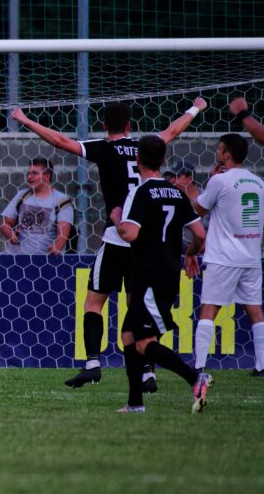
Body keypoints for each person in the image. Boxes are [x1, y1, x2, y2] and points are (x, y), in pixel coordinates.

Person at [12, 97, 207, 389]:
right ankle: (147, 372)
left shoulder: (104, 148)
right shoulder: (144, 146)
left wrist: (26, 120)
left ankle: (92, 364)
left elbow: (61, 142)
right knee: (137, 308)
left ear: (104, 126)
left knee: (94, 302)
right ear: (130, 125)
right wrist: (195, 108)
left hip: (117, 237)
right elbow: (172, 132)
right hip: (144, 243)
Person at [114, 135, 211, 413]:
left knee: (145, 342)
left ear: (137, 159)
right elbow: (200, 234)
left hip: (149, 275)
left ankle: (196, 377)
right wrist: (190, 252)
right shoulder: (177, 192)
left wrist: (118, 219)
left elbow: (130, 232)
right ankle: (135, 403)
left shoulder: (141, 192)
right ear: (162, 160)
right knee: (129, 336)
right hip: (164, 272)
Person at [191, 134, 264, 377]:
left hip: (224, 257)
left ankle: (199, 365)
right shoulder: (258, 182)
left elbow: (197, 210)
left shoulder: (220, 181)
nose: (217, 152)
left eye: (220, 149)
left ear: (227, 155)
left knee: (209, 310)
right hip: (251, 256)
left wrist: (212, 180)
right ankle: (262, 365)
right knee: (255, 311)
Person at [0, 157, 74, 255]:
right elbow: (5, 223)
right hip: (16, 260)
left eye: (34, 173)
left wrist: (57, 247)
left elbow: (63, 233)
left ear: (47, 176)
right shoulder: (22, 195)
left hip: (44, 262)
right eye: (28, 173)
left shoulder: (61, 201)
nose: (29, 177)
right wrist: (11, 235)